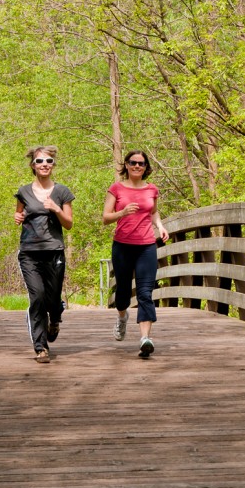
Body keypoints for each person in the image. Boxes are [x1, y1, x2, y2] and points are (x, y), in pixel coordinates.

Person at [102, 149, 169, 358]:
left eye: (141, 163)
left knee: (145, 292)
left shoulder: (152, 190)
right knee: (122, 291)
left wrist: (160, 226)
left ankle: (145, 339)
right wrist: (122, 213)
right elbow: (105, 218)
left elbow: (153, 211)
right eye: (133, 163)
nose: (137, 166)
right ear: (127, 165)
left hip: (146, 246)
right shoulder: (116, 189)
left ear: (146, 167)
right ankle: (122, 317)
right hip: (122, 246)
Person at [14, 145, 75, 364]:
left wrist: (56, 209)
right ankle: (40, 348)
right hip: (29, 252)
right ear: (33, 165)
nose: (44, 165)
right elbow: (19, 212)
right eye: (40, 161)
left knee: (53, 299)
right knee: (37, 297)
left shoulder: (62, 192)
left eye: (48, 161)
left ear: (53, 165)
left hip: (54, 251)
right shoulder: (23, 191)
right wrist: (18, 217)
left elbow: (68, 224)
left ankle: (56, 318)